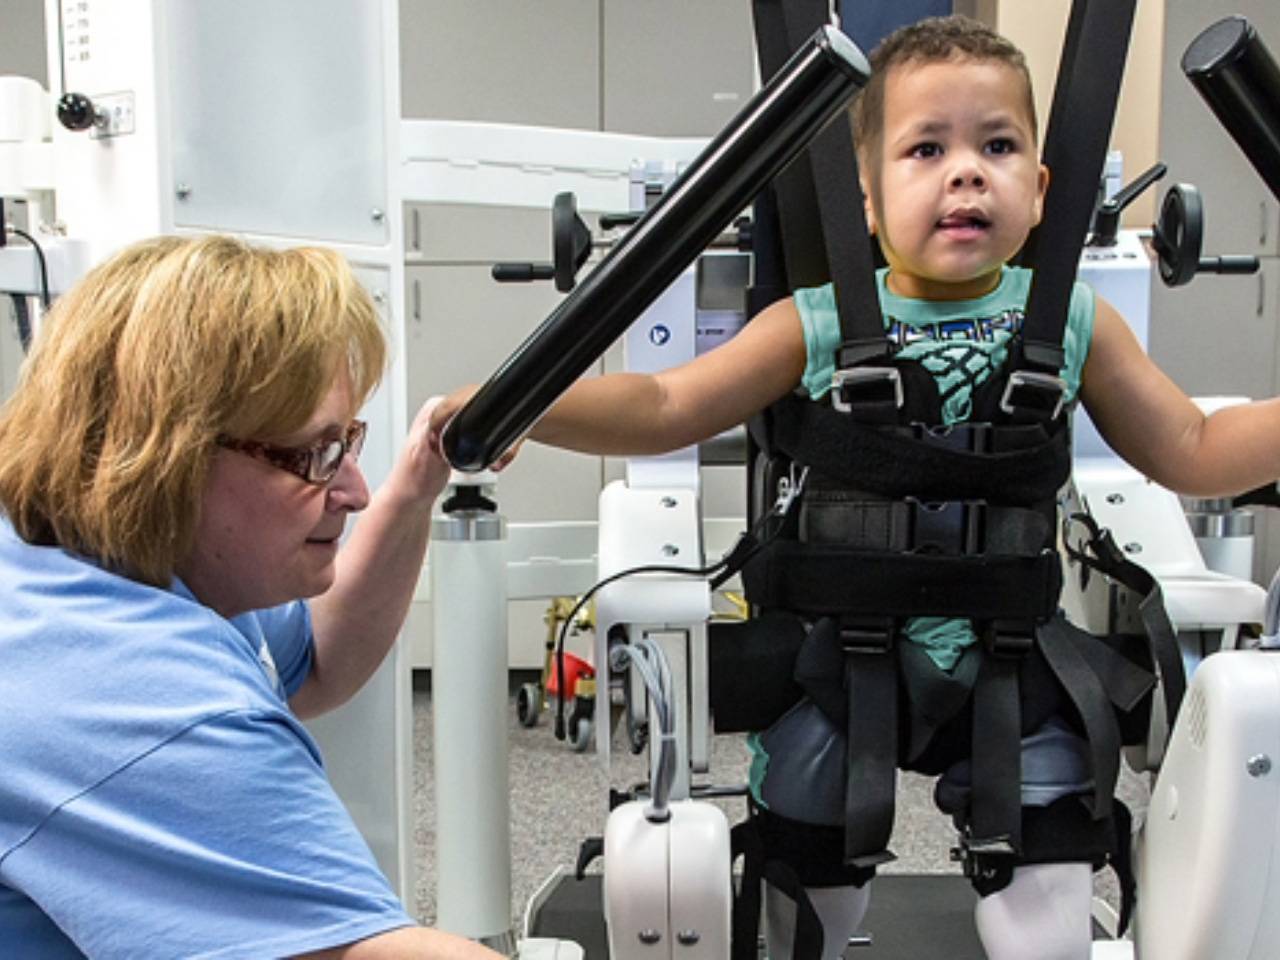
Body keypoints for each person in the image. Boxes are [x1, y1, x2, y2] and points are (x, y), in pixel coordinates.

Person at [429, 14, 1280, 960]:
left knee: (1049, 892)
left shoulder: (1073, 323)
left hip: (1014, 666)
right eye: (928, 149)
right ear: (867, 201)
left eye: (997, 146)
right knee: (805, 898)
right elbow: (667, 401)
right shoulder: (818, 323)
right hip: (844, 671)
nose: (967, 172)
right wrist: (522, 402)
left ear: (1040, 191)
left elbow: (1196, 448)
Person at [0, 234, 500, 960]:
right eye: (315, 455)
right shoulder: (145, 704)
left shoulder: (80, 547)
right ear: (168, 457)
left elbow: (319, 659)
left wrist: (418, 480)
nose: (353, 493)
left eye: (350, 443)